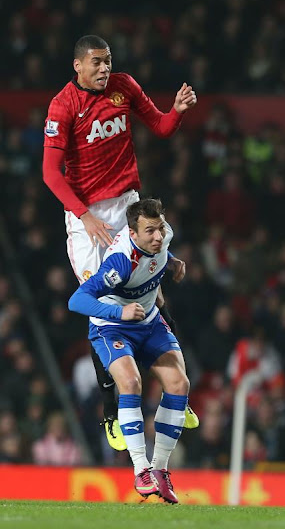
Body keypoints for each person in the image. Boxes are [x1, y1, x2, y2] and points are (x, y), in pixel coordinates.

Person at [42, 34, 198, 450]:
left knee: (154, 292)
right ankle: (111, 415)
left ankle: (178, 396)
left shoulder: (124, 87)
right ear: (77, 65)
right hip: (86, 214)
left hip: (128, 205)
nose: (104, 68)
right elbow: (51, 174)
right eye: (96, 62)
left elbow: (162, 126)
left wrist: (177, 111)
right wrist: (85, 215)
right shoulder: (63, 106)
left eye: (107, 60)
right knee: (104, 307)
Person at [68, 198, 189, 503]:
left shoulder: (164, 237)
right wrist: (117, 314)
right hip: (112, 326)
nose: (158, 237)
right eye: (150, 231)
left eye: (160, 228)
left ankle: (160, 471)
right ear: (133, 234)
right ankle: (140, 469)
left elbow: (160, 253)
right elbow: (77, 301)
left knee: (179, 384)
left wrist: (171, 261)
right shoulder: (120, 262)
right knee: (132, 382)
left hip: (148, 320)